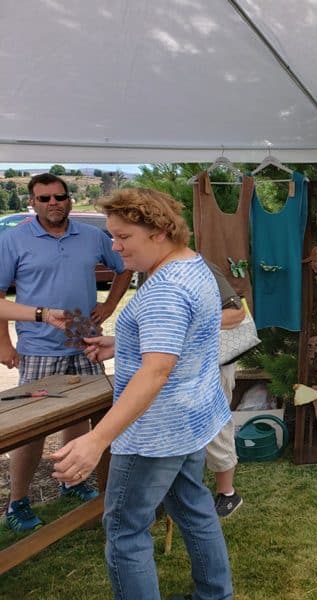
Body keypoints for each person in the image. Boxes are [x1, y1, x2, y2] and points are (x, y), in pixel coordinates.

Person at [49, 188, 233, 600]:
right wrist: (121, 344)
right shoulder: (193, 264)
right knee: (195, 509)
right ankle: (216, 594)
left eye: (123, 237)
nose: (114, 247)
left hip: (155, 432)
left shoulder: (165, 289)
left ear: (159, 232)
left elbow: (156, 371)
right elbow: (179, 340)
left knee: (125, 531)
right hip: (190, 421)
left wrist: (97, 439)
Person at [0, 172, 132, 532]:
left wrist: (108, 306)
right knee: (32, 428)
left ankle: (71, 481)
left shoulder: (91, 236)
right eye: (44, 198)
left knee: (82, 415)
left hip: (83, 336)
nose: (53, 203)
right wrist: (5, 344)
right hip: (39, 344)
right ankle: (18, 502)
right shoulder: (13, 239)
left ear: (69, 198)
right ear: (32, 202)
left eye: (59, 196)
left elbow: (124, 269)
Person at [205, 258, 246, 518]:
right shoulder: (151, 271)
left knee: (216, 424)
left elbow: (236, 312)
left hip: (213, 362)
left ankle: (227, 494)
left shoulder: (201, 267)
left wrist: (192, 323)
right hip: (179, 367)